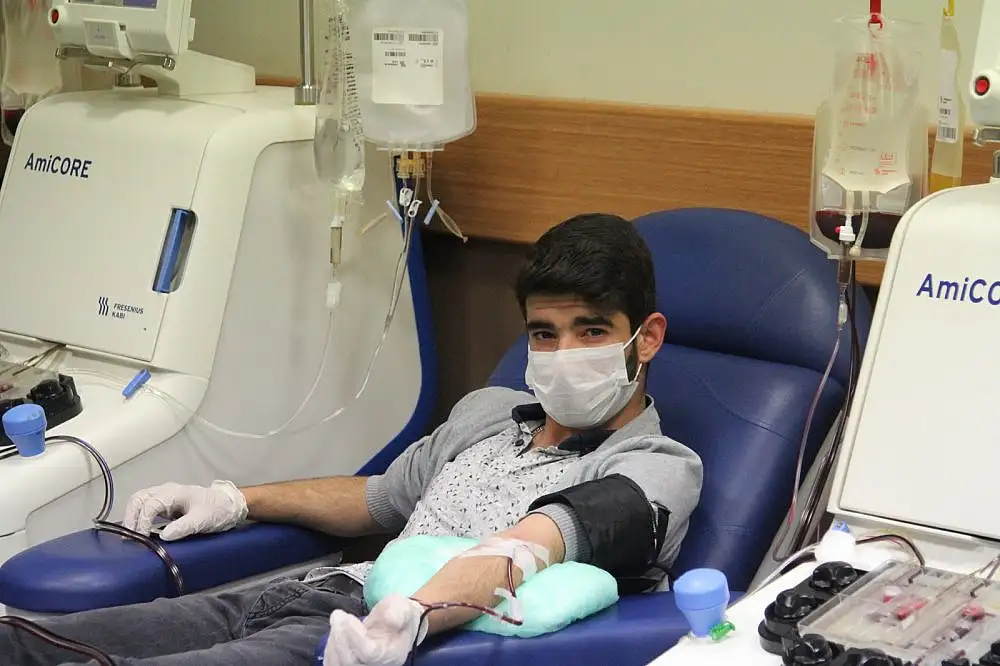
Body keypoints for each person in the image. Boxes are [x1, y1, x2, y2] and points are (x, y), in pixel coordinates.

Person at [0, 213, 704, 666]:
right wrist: (233, 500)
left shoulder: (655, 466)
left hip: (366, 641)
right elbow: (379, 498)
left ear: (646, 338)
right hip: (310, 595)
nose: (562, 353)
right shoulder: (492, 413)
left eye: (591, 331)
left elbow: (533, 544)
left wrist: (408, 618)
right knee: (24, 644)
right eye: (544, 334)